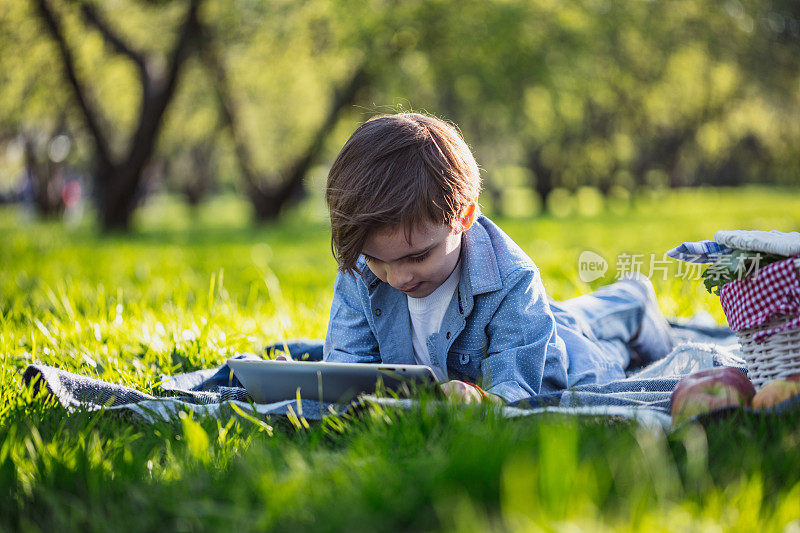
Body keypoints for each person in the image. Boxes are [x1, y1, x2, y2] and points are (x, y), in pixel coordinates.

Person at [285, 112, 673, 405]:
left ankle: (632, 301)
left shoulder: (512, 279)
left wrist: (482, 399)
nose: (398, 276)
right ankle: (623, 305)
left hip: (561, 357)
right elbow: (346, 369)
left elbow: (522, 386)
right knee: (563, 314)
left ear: (464, 218)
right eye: (378, 261)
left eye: (418, 256)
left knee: (589, 343)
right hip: (532, 318)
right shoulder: (361, 268)